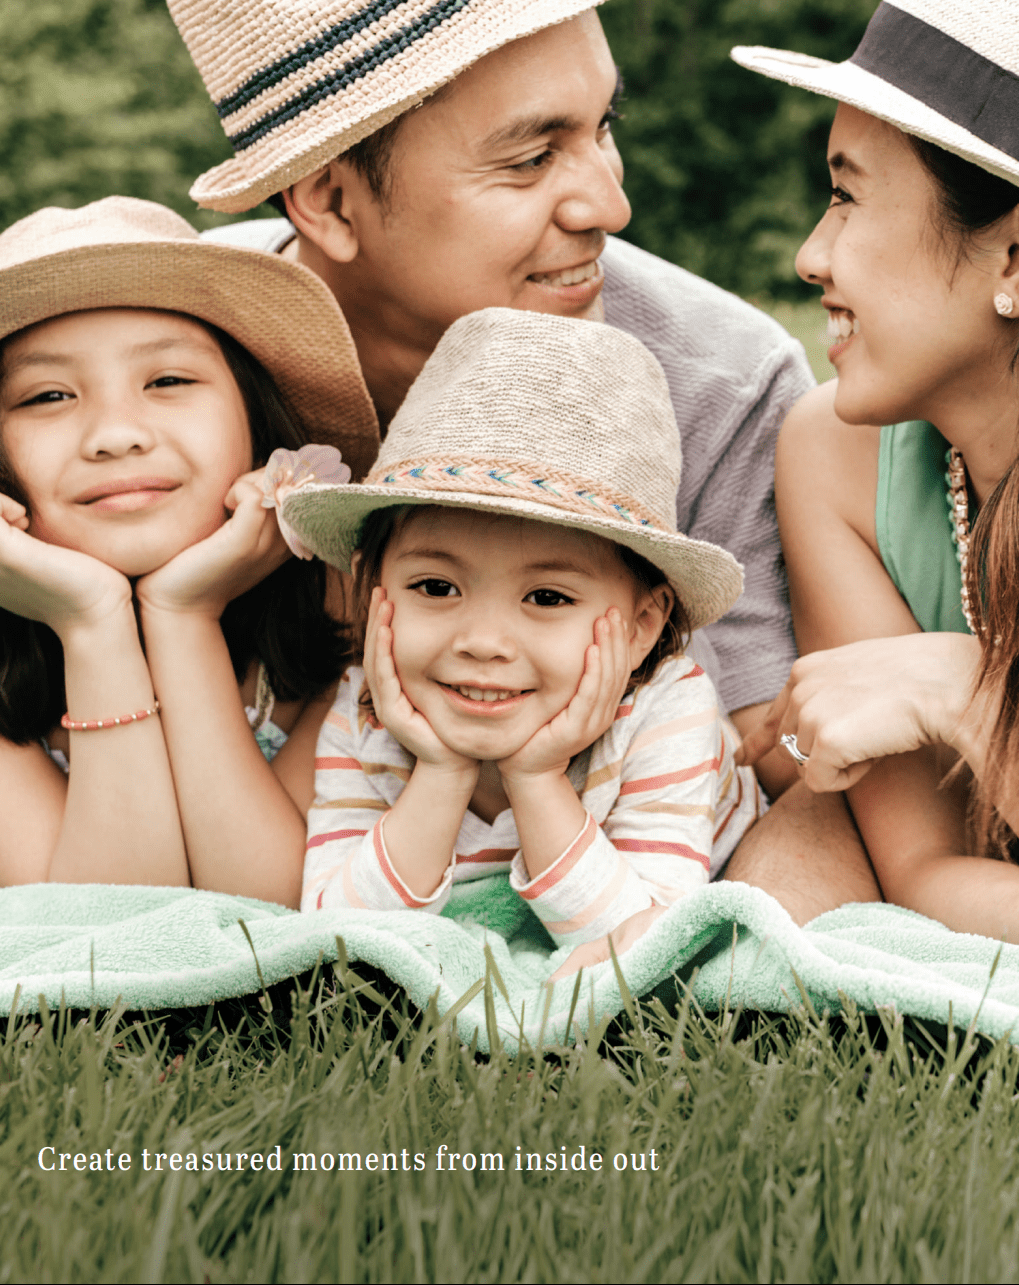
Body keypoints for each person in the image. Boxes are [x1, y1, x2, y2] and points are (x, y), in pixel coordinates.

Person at [168, 0, 881, 918]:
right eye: (530, 158)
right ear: (330, 200)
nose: (610, 206)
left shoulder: (722, 382)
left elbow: (775, 760)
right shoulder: (165, 361)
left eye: (603, 129)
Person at [285, 307, 762, 964]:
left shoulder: (666, 712)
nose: (482, 641)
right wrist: (442, 770)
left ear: (641, 627)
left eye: (546, 597)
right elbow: (337, 935)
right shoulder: (368, 706)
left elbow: (641, 946)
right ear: (374, 592)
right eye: (435, 587)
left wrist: (535, 777)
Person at [732, 1, 1019, 940]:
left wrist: (964, 694)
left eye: (847, 196)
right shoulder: (834, 458)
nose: (811, 254)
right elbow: (925, 876)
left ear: (1013, 260)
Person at [0, 196, 378, 901]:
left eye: (168, 380)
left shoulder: (351, 601)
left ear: (255, 416)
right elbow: (101, 933)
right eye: (48, 395)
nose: (115, 434)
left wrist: (183, 618)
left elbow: (267, 909)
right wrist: (91, 624)